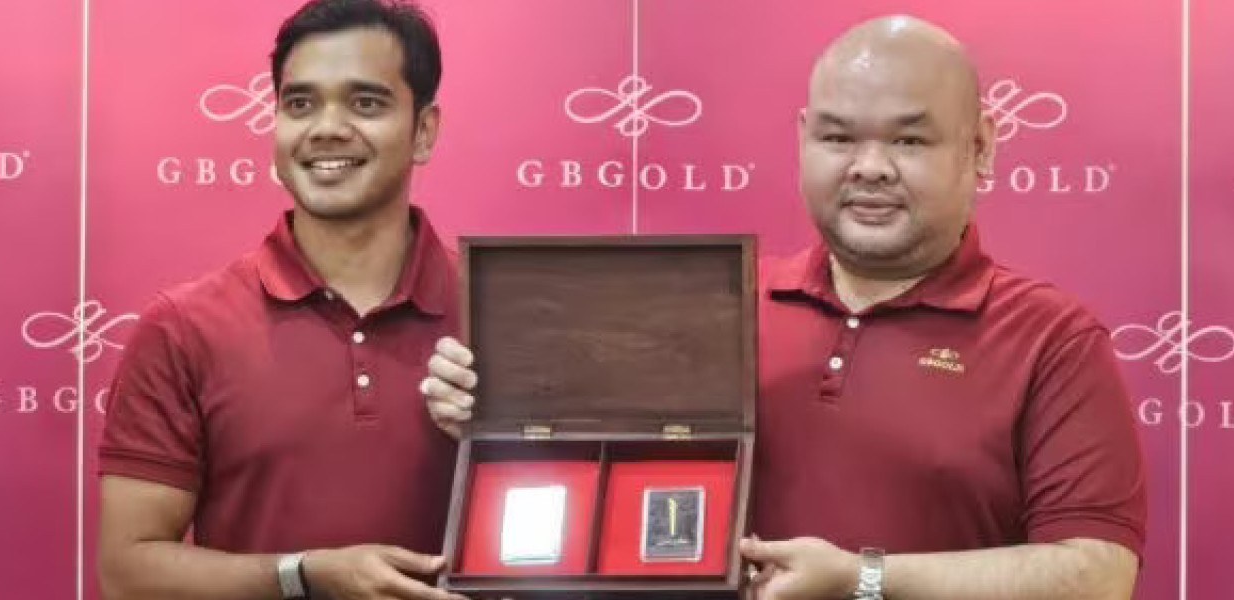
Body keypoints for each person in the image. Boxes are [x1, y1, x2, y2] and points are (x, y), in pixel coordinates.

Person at [421, 15, 1146, 600]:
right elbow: (592, 464)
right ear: (802, 138)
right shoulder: (721, 310)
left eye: (909, 139)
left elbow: (1096, 575)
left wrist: (862, 579)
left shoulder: (1052, 338)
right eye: (838, 137)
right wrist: (494, 412)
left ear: (979, 146)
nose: (869, 167)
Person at [98, 2, 467, 599]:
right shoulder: (183, 328)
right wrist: (304, 575)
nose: (326, 127)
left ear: (423, 131)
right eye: (300, 104)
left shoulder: (503, 316)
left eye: (365, 103)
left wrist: (509, 435)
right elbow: (127, 574)